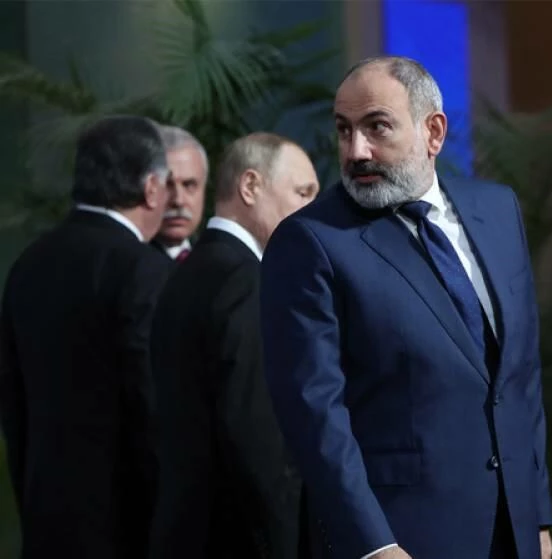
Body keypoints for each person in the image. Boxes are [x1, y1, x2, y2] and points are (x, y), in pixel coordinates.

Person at [260, 56, 552, 559]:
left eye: (376, 127)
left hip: (512, 532)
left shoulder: (498, 209)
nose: (356, 151)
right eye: (344, 130)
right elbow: (314, 414)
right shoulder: (311, 240)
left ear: (433, 132)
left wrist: (538, 516)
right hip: (400, 537)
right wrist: (374, 545)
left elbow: (521, 376)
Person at [0, 115, 172, 559]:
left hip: (46, 522)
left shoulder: (28, 265)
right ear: (152, 188)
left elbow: (14, 407)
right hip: (126, 528)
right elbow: (152, 404)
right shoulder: (144, 270)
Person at [149, 132, 320, 559]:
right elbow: (258, 439)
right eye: (302, 193)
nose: (312, 211)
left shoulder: (186, 274)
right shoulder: (247, 282)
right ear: (250, 186)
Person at [150, 126, 208, 263]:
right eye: (166, 185)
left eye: (189, 185)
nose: (178, 200)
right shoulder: (128, 264)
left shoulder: (215, 259)